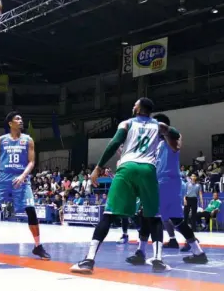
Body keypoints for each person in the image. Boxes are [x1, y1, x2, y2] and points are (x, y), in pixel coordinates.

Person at [70, 98, 177, 274]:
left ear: (139, 108)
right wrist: (171, 137)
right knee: (155, 217)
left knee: (109, 214)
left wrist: (98, 167)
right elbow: (174, 133)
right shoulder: (158, 126)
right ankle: (158, 260)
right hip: (148, 170)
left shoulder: (127, 123)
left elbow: (113, 144)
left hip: (127, 168)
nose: (132, 106)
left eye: (135, 104)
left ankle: (88, 260)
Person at [129, 113, 207, 264]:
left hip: (167, 182)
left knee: (151, 216)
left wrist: (163, 129)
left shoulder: (173, 138)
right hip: (161, 182)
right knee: (176, 220)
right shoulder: (157, 144)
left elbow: (176, 145)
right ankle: (198, 252)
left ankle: (148, 254)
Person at [0, 112, 50, 260]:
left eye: (21, 118)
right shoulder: (1, 140)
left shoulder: (28, 140)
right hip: (3, 178)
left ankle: (38, 246)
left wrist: (23, 176)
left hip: (21, 179)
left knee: (31, 211)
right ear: (10, 123)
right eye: (17, 119)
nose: (21, 120)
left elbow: (31, 162)